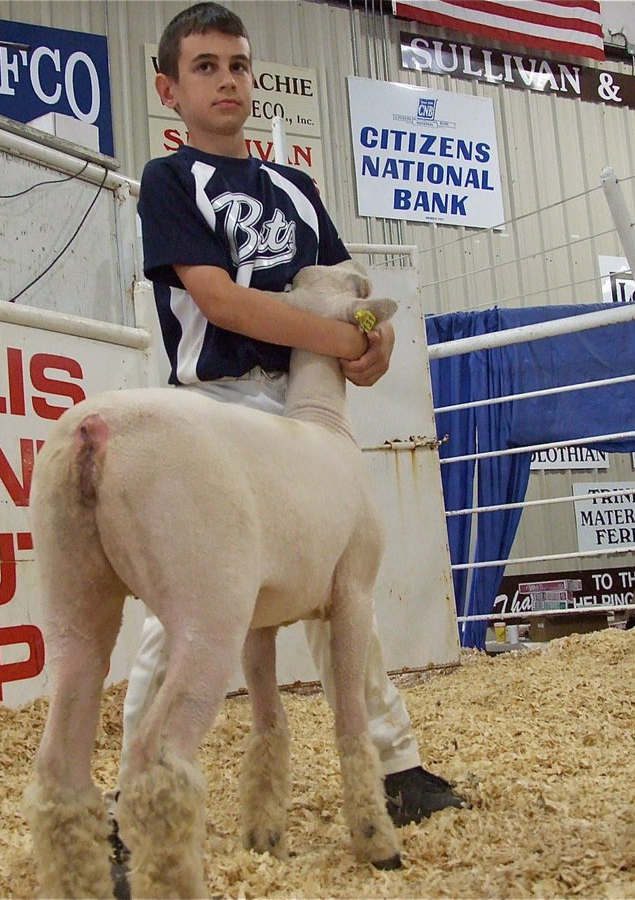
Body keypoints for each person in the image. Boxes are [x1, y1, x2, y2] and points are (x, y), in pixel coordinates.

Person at [124, 0, 464, 837]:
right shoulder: (170, 180)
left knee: (345, 592)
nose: (227, 80)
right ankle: (132, 795)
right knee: (187, 609)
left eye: (238, 64)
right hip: (214, 410)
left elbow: (346, 287)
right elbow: (219, 300)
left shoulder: (297, 187)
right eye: (205, 66)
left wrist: (372, 341)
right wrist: (337, 335)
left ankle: (396, 765)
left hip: (305, 409)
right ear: (170, 88)